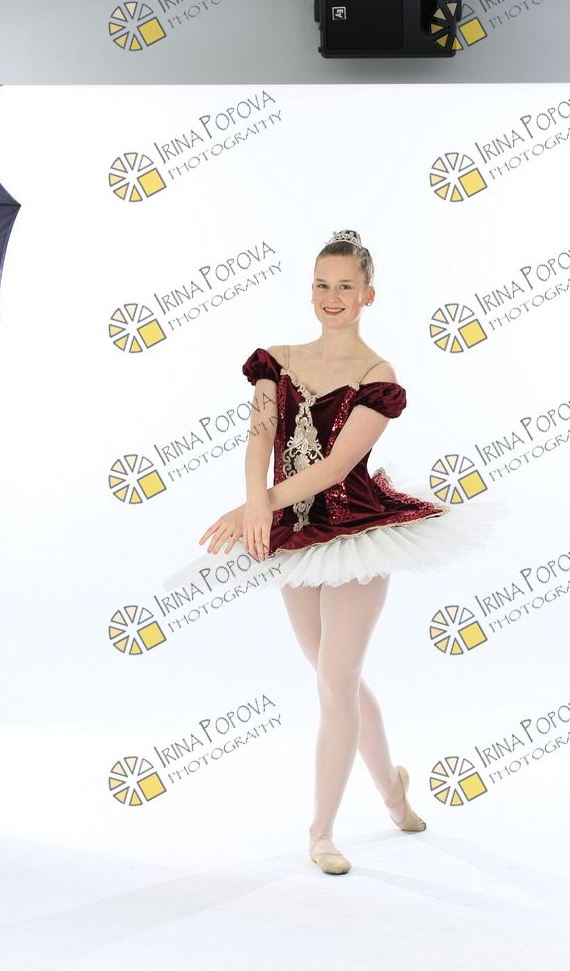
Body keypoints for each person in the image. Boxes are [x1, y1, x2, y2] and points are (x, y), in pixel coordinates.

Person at [198, 230, 463, 875]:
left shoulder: (377, 376)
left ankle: (321, 832)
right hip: (295, 533)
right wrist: (256, 503)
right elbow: (260, 438)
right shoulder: (277, 360)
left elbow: (336, 467)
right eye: (322, 284)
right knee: (331, 676)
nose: (332, 296)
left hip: (355, 532)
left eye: (345, 286)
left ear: (369, 294)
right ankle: (395, 792)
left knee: (337, 681)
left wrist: (256, 506)